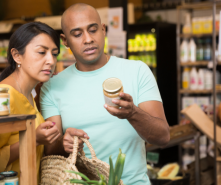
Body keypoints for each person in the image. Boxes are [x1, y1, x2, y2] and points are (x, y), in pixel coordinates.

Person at [40, 3, 170, 184]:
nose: (87, 39)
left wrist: (133, 113)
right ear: (65, 41)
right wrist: (63, 142)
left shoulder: (137, 71)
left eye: (93, 30)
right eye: (77, 34)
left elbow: (163, 137)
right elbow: (49, 150)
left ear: (103, 30)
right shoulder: (52, 87)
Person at [0, 22, 61, 183]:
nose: (51, 61)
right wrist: (34, 139)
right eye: (41, 52)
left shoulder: (28, 94)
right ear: (17, 55)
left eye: (54, 54)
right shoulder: (2, 97)